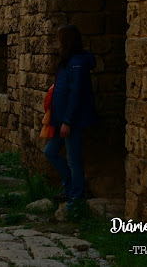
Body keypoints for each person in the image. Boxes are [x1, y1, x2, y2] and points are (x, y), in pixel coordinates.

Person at [44, 24, 97, 207]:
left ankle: (76, 196)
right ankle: (70, 187)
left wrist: (67, 121)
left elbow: (76, 94)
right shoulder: (68, 61)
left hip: (71, 121)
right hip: (61, 120)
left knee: (73, 160)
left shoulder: (77, 63)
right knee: (50, 151)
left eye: (59, 38)